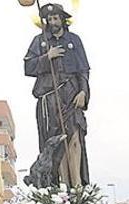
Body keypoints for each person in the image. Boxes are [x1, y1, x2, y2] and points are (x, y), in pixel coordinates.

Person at [23, 2, 91, 189]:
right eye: (50, 19)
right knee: (57, 142)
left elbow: (84, 69)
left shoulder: (74, 40)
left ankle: (77, 185)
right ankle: (62, 185)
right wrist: (47, 57)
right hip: (50, 98)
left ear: (63, 19)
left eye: (56, 18)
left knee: (74, 136)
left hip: (71, 94)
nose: (53, 21)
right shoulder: (40, 41)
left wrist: (83, 91)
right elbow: (28, 67)